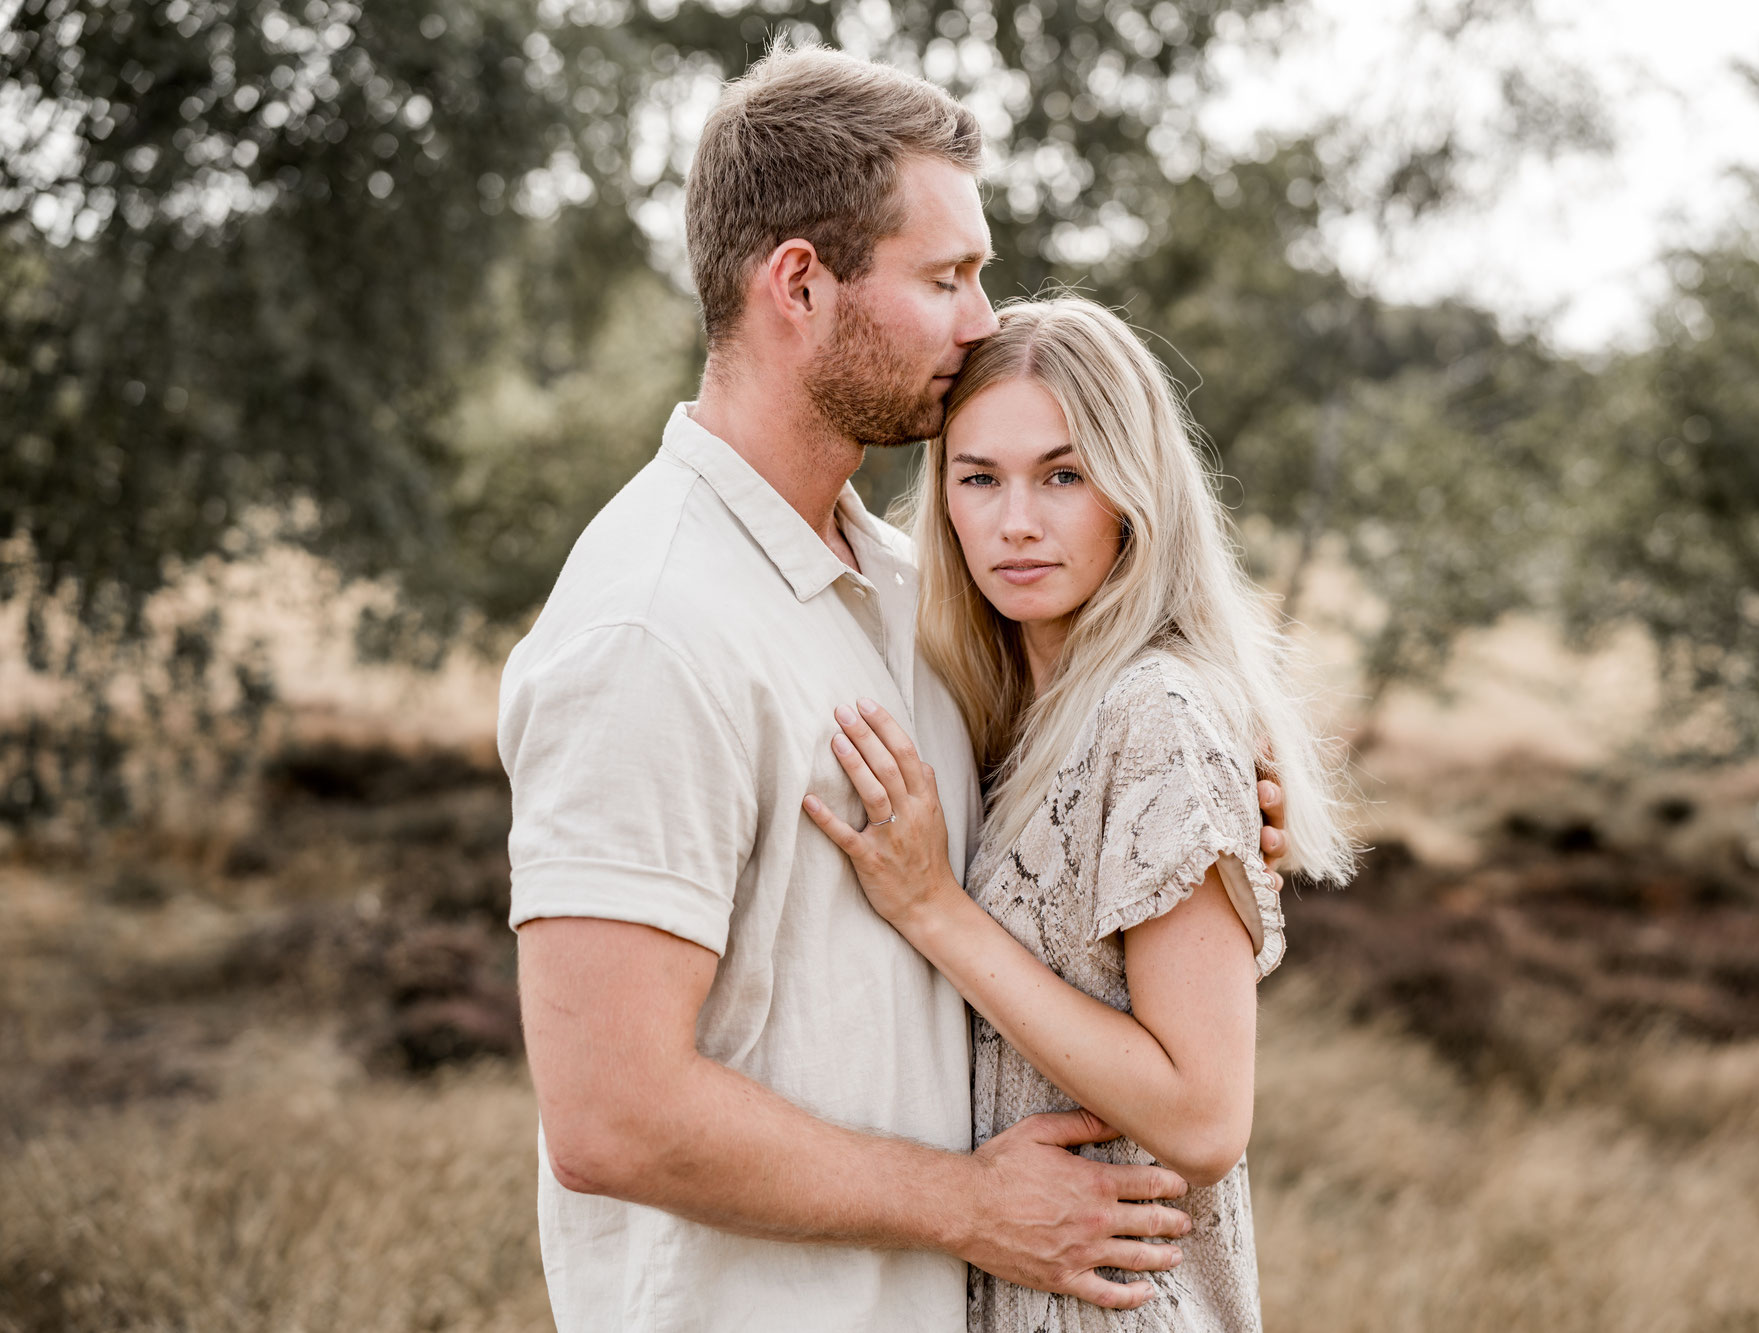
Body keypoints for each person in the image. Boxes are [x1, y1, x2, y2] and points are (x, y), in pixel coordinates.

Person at [498, 46, 1293, 1332]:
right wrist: (967, 1205)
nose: (982, 321)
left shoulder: (909, 592)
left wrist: (1205, 808)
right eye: (945, 278)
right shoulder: (651, 628)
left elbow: (1087, 831)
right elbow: (610, 1114)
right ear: (800, 285)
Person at [804, 298, 1355, 1330]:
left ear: (1132, 493)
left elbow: (1201, 1115)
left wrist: (935, 909)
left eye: (1063, 474)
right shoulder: (1007, 710)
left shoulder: (1157, 713)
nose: (1016, 521)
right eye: (978, 479)